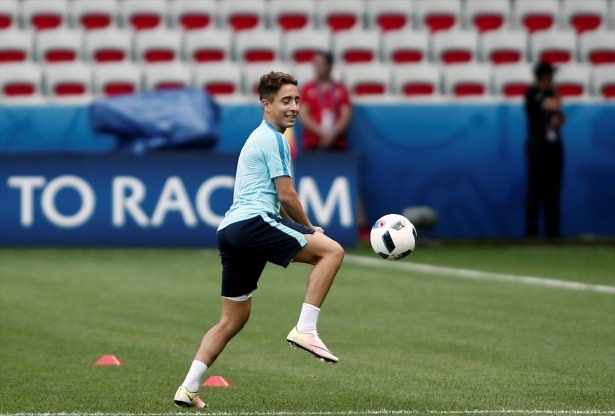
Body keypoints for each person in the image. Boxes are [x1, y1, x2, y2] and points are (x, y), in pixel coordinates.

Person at [173, 72, 345, 409]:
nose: (294, 107)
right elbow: (287, 195)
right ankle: (305, 329)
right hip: (253, 223)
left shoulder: (259, 137)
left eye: (297, 100)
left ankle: (188, 388)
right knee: (332, 252)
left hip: (231, 231)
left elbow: (274, 200)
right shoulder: (274, 139)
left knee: (232, 319)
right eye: (286, 101)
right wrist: (311, 228)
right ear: (266, 104)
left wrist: (303, 230)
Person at [524, 61, 565, 238]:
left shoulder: (549, 92)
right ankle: (532, 230)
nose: (552, 79)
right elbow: (553, 105)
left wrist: (558, 117)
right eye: (549, 76)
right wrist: (555, 98)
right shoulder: (533, 93)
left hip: (553, 146)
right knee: (535, 188)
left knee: (553, 190)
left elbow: (560, 117)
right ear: (543, 76)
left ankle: (552, 231)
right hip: (538, 146)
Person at [299, 50, 352, 151]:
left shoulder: (341, 89)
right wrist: (319, 131)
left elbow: (346, 115)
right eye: (315, 64)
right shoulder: (307, 88)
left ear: (329, 66)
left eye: (320, 63)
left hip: (336, 143)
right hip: (313, 143)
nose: (317, 67)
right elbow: (303, 115)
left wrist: (333, 133)